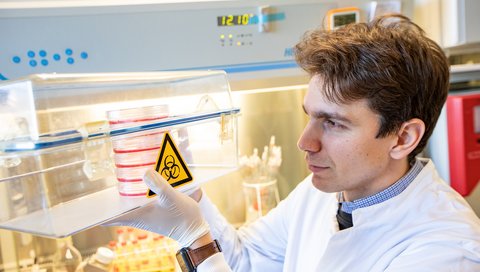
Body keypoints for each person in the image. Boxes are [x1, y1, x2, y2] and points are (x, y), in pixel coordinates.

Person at [106, 14, 480, 271]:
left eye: (332, 123)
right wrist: (193, 198)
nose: (305, 141)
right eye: (310, 115)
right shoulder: (323, 192)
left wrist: (196, 237)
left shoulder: (447, 250)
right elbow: (248, 261)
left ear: (403, 137)